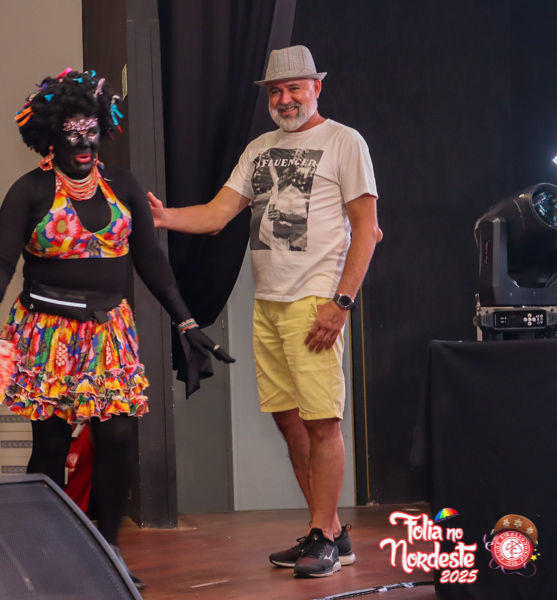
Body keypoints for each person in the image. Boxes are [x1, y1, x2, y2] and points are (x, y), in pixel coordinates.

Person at [0, 69, 233, 590]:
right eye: (72, 133)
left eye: (91, 131)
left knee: (117, 435)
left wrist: (186, 320)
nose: (84, 143)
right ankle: (42, 549)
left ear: (103, 128)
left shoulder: (123, 185)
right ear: (51, 136)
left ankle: (108, 548)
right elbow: (1, 258)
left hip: (109, 331)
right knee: (50, 443)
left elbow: (151, 261)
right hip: (47, 333)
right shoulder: (29, 190)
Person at [148, 45, 382, 578]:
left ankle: (323, 537)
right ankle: (330, 532)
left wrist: (341, 304)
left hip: (316, 301)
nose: (284, 98)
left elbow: (368, 230)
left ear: (316, 87)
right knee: (289, 421)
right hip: (269, 303)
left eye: (294, 87)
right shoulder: (259, 149)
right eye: (275, 91)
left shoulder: (344, 141)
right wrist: (163, 217)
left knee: (322, 422)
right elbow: (216, 215)